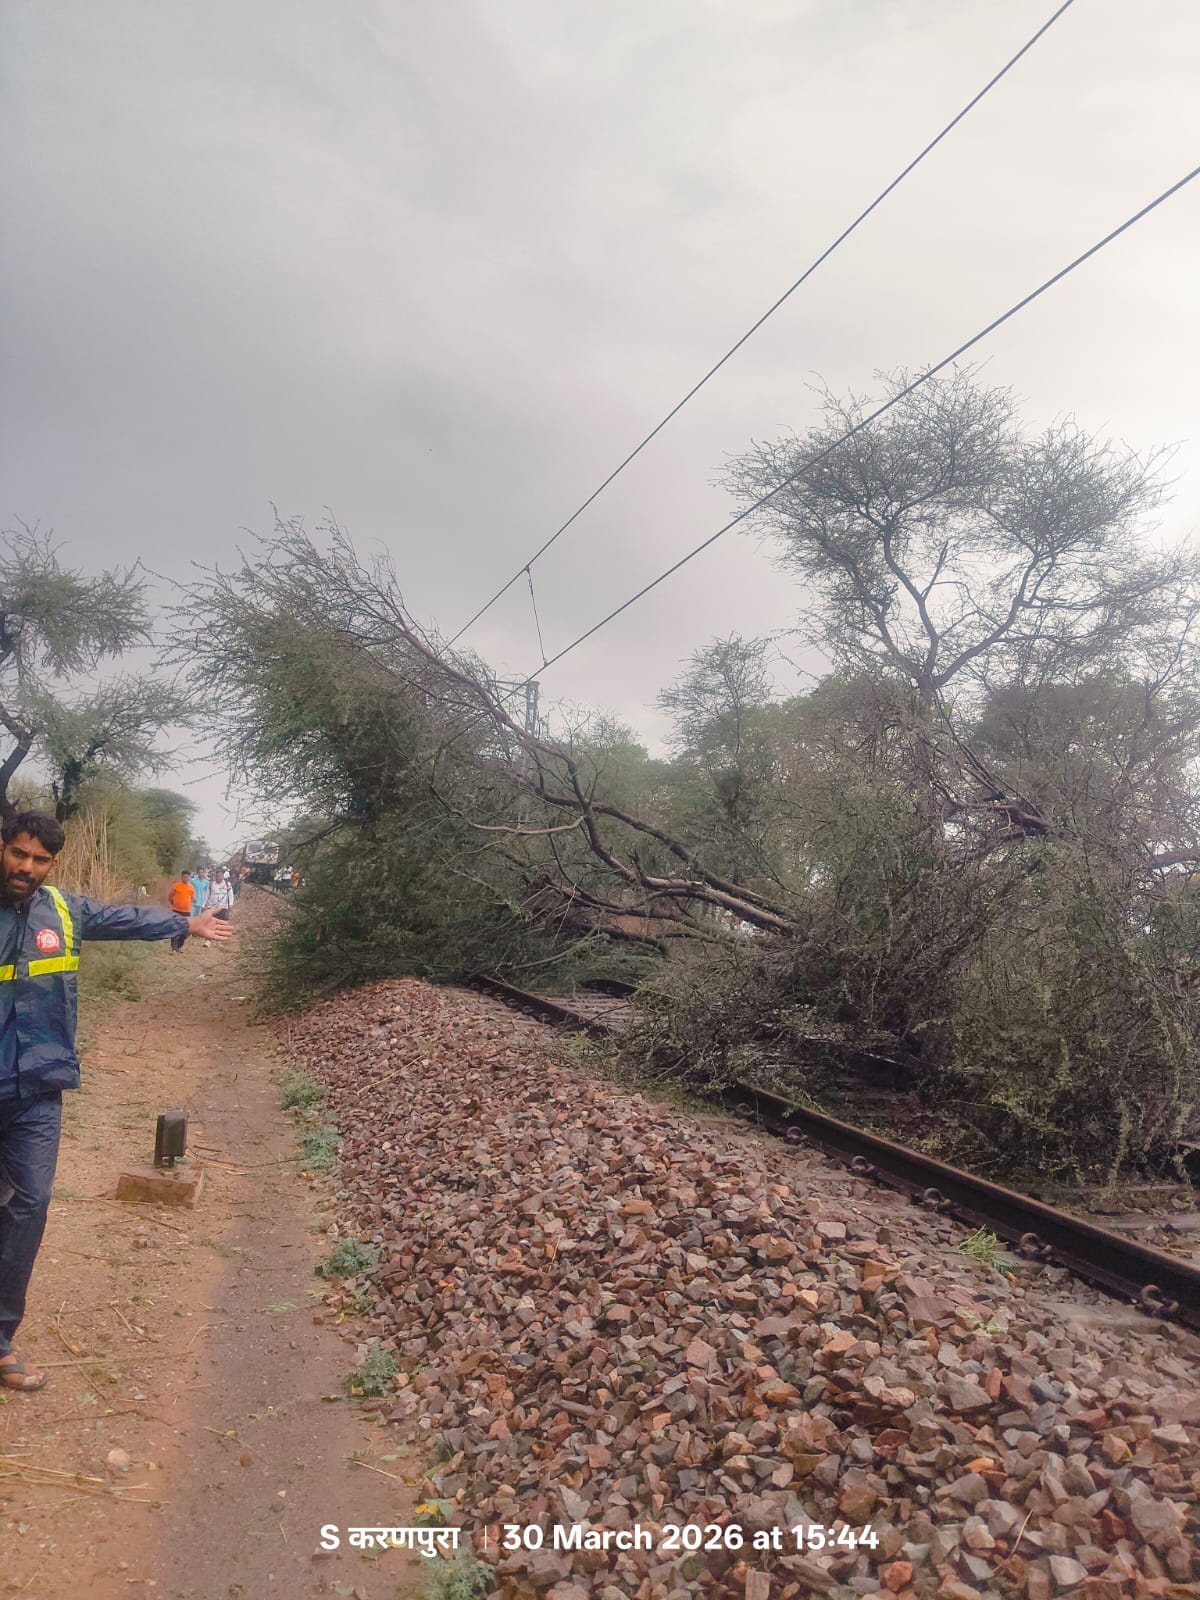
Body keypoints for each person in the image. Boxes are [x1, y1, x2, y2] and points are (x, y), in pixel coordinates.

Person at [0, 811, 234, 1392]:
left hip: (38, 1085)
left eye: (39, 859)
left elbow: (125, 917)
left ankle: (0, 1341)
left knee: (30, 1205)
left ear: (51, 864)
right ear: (3, 850)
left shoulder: (63, 910)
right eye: (18, 854)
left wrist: (185, 925)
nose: (26, 867)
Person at [167, 870, 195, 952]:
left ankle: (179, 945)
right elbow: (170, 896)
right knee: (175, 929)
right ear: (181, 877)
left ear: (189, 878)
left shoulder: (191, 888)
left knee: (187, 930)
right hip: (176, 910)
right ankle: (174, 948)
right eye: (184, 877)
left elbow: (192, 899)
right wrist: (174, 903)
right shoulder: (176, 886)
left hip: (186, 911)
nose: (186, 878)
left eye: (187, 877)